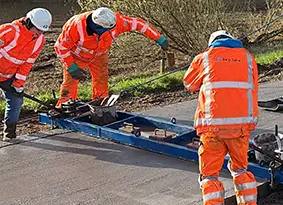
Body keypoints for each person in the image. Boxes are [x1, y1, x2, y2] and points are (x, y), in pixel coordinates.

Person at [183, 30, 260, 205]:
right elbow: (252, 86)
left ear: (212, 43)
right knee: (241, 170)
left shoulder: (204, 58)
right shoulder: (247, 57)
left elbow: (189, 85)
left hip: (212, 130)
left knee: (209, 176)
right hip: (240, 128)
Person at [55, 7, 168, 107]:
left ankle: (101, 104)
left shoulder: (115, 22)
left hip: (100, 55)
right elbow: (61, 47)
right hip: (77, 56)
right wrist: (72, 67)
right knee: (70, 82)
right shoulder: (75, 26)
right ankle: (65, 106)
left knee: (101, 79)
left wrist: (158, 38)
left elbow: (138, 24)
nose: (111, 31)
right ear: (98, 27)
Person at [0, 8, 51, 141]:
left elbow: (27, 63)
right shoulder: (10, 31)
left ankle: (9, 133)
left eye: (42, 30)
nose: (40, 33)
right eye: (38, 29)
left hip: (9, 76)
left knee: (16, 100)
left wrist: (18, 84)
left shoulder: (39, 40)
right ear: (29, 22)